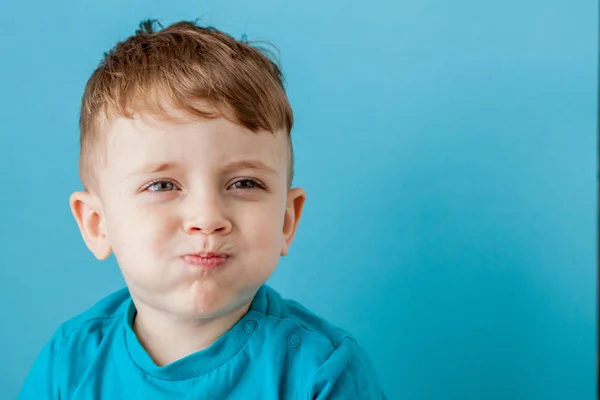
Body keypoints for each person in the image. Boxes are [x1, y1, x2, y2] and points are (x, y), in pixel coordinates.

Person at [18, 19, 386, 399]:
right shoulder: (69, 362)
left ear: (287, 220)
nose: (208, 218)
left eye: (244, 183)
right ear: (98, 225)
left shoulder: (322, 372)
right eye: (162, 185)